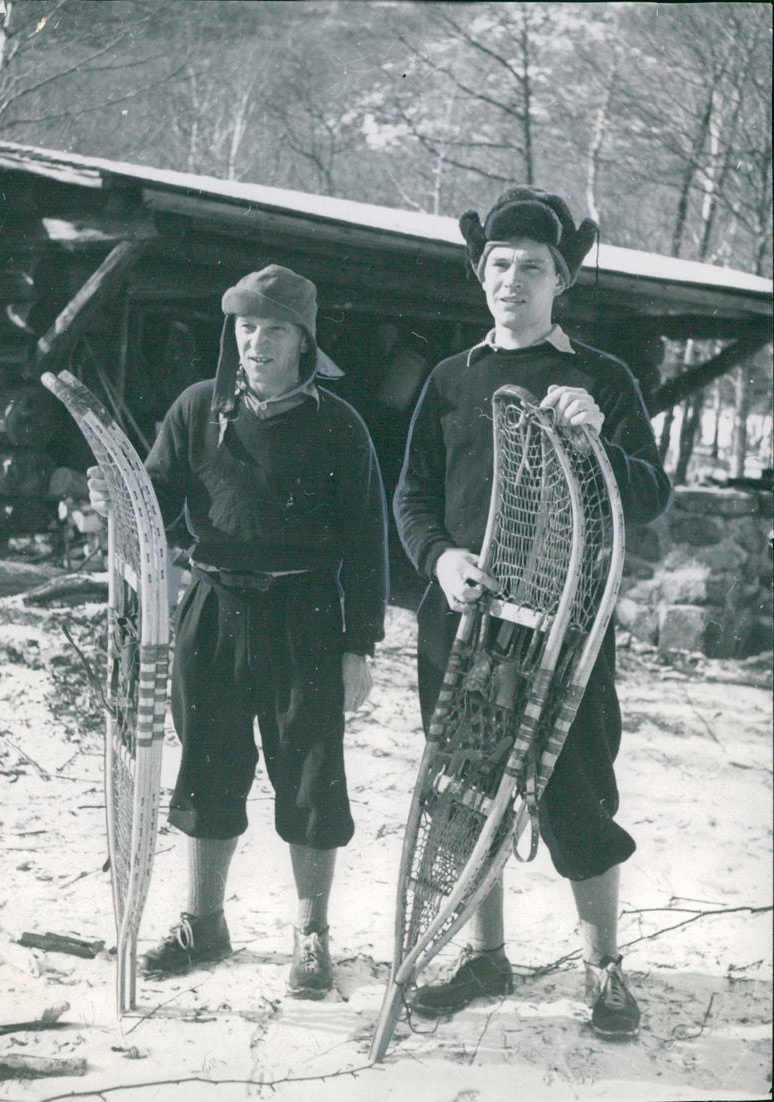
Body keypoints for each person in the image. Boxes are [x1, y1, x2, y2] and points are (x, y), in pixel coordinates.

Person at [393, 187, 672, 1038]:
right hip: (467, 626)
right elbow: (413, 498)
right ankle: (485, 955)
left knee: (577, 793)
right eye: (500, 265)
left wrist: (599, 442)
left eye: (533, 267)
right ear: (481, 278)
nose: (513, 279)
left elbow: (649, 494)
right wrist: (439, 558)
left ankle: (603, 969)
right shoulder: (451, 380)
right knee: (465, 792)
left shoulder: (600, 379)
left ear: (562, 281)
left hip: (568, 631)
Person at [88, 264, 388, 998]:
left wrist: (360, 645)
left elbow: (368, 545)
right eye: (246, 326)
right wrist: (113, 499)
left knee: (313, 779)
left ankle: (311, 935)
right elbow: (150, 504)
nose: (256, 342)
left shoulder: (340, 427)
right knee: (209, 767)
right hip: (213, 612)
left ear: (304, 341)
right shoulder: (198, 410)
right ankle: (204, 922)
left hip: (307, 619)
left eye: (274, 328)